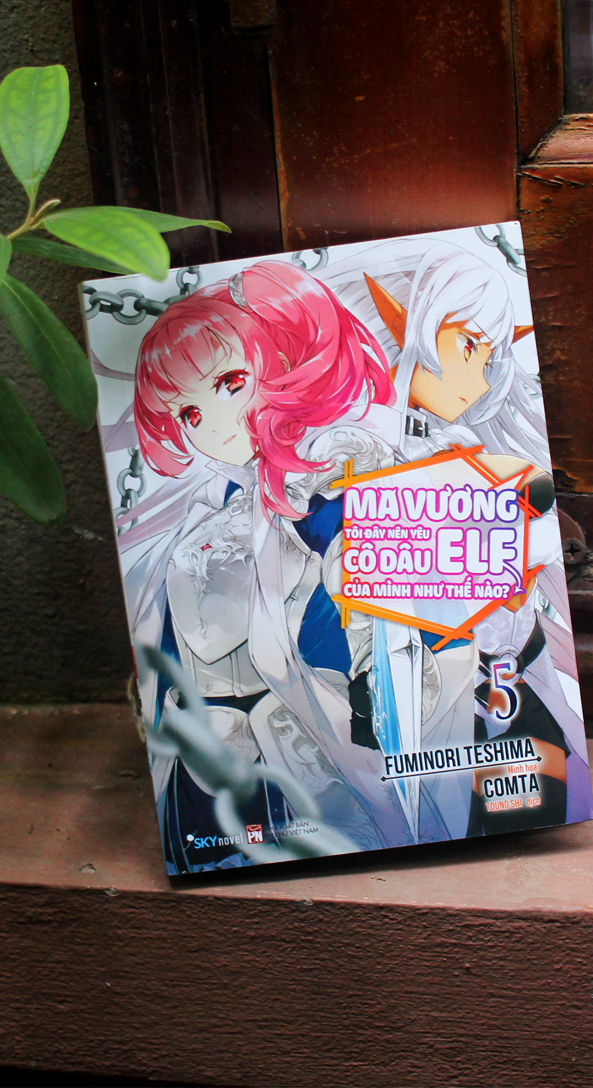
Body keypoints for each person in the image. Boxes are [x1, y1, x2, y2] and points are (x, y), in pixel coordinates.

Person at [127, 259, 429, 871]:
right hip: (211, 749)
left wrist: (375, 692)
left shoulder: (331, 477)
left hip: (307, 734)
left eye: (230, 382)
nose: (212, 424)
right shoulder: (219, 504)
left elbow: (372, 594)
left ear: (290, 358)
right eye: (188, 414)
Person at [327, 238, 593, 828]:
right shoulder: (357, 449)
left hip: (503, 679)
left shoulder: (458, 445)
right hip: (423, 690)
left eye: (488, 356)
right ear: (406, 325)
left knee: (535, 799)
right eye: (468, 346)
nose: (478, 382)